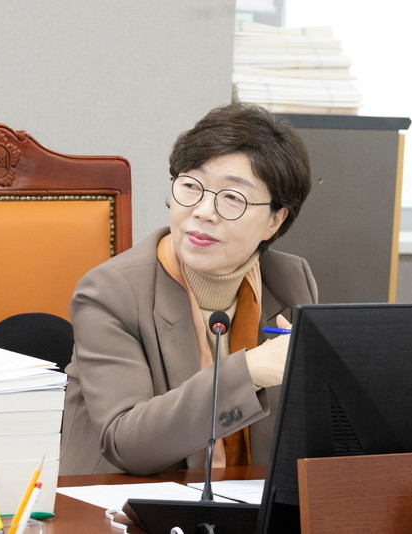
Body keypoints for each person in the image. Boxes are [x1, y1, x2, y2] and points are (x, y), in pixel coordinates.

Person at [59, 103, 317, 476]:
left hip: (250, 497)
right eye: (191, 186)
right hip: (123, 500)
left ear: (274, 220)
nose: (203, 211)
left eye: (232, 197)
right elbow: (127, 444)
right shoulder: (110, 292)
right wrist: (249, 371)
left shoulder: (290, 281)